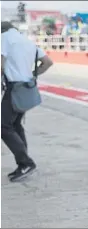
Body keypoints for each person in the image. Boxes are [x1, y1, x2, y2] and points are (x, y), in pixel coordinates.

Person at [1, 21, 53, 182]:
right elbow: (47, 62)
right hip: (26, 88)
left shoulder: (4, 38)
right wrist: (31, 74)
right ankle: (22, 163)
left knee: (3, 126)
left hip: (14, 88)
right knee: (15, 124)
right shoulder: (27, 41)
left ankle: (26, 162)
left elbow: (1, 64)